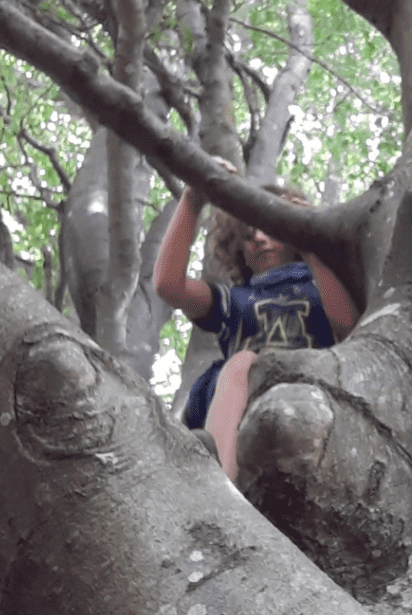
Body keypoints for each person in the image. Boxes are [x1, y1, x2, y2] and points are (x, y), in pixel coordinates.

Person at [153, 166, 359, 483]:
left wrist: (312, 245)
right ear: (239, 252)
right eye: (248, 237)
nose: (260, 239)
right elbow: (169, 285)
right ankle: (221, 484)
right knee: (241, 363)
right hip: (241, 402)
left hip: (314, 392)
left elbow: (348, 327)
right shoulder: (237, 299)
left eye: (270, 229)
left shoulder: (321, 283)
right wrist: (193, 198)